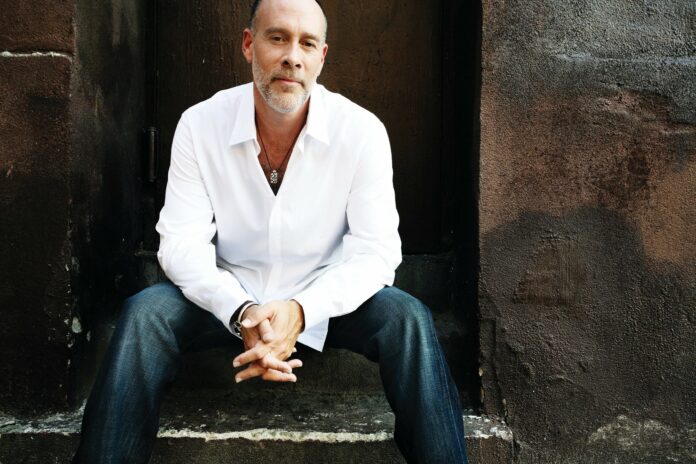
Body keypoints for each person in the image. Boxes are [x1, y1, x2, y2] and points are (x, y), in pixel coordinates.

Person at [73, 0, 469, 462]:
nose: (292, 57)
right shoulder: (200, 125)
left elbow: (377, 254)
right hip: (227, 297)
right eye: (277, 38)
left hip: (326, 299)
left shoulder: (361, 132)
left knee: (409, 319)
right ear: (249, 44)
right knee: (145, 314)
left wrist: (302, 310)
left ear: (322, 57)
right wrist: (242, 310)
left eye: (307, 44)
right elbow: (180, 245)